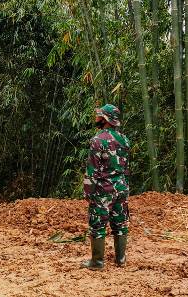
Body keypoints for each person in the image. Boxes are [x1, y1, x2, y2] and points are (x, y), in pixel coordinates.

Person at [81, 104, 130, 270]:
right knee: (120, 224)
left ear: (105, 119)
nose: (97, 118)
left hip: (103, 190)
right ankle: (121, 260)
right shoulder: (124, 139)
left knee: (97, 225)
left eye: (99, 116)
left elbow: (92, 169)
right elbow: (125, 167)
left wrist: (88, 191)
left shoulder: (97, 140)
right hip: (121, 188)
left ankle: (97, 262)